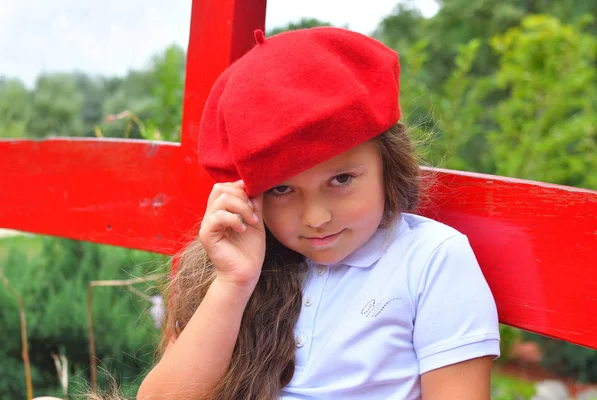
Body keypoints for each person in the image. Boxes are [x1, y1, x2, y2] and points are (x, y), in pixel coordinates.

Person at [136, 27, 500, 400]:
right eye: (282, 189)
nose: (316, 217)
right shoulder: (246, 269)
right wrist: (233, 285)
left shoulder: (431, 260)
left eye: (341, 179)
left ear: (388, 164)